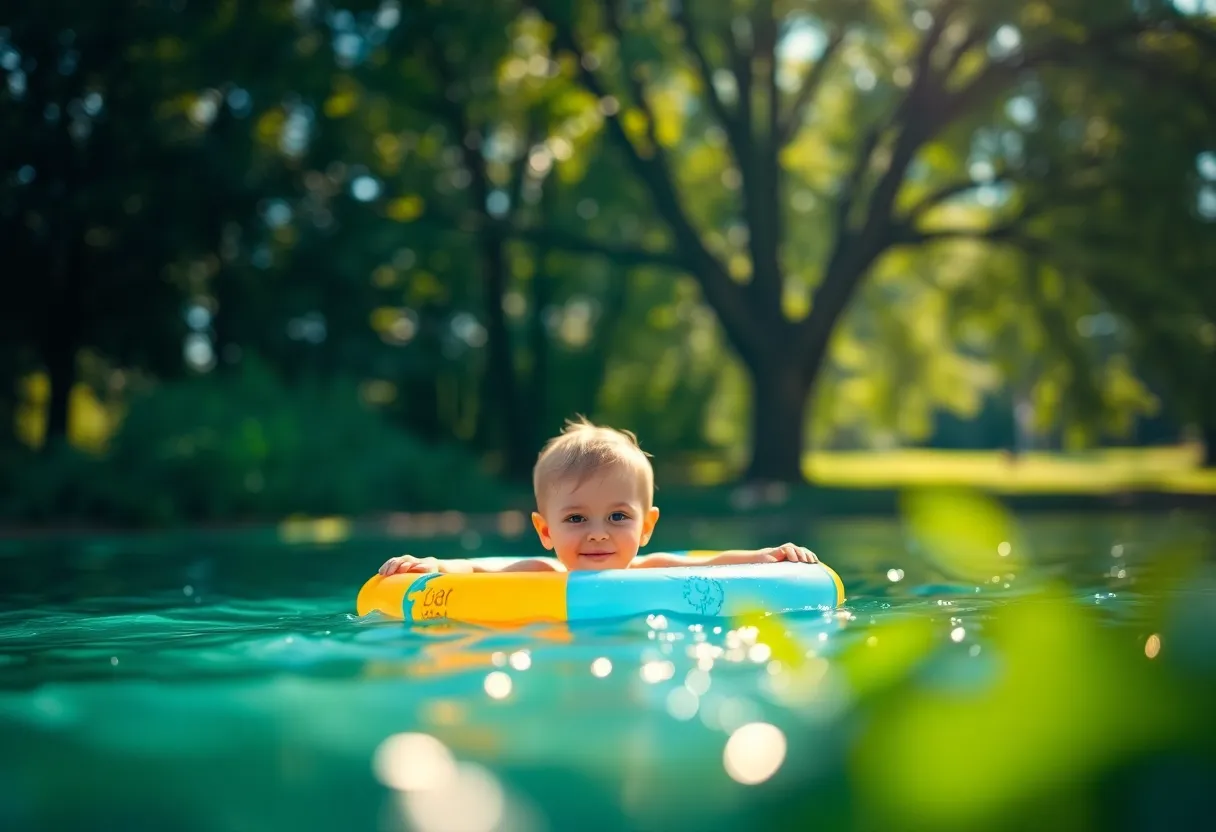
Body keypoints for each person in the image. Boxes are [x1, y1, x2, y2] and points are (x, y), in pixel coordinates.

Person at [377, 416, 820, 576]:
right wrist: (433, 565)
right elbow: (476, 568)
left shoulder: (653, 569)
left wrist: (767, 555)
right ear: (544, 530)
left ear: (647, 526)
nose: (596, 534)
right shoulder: (538, 572)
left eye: (618, 517)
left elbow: (709, 563)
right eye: (575, 519)